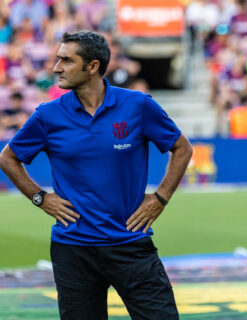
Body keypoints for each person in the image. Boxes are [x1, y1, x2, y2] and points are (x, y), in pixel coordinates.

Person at [0, 31, 193, 320]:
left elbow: (182, 148)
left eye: (66, 60)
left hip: (130, 243)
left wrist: (161, 198)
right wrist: (40, 197)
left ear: (92, 66)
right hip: (73, 249)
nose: (56, 68)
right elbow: (8, 157)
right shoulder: (47, 115)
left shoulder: (138, 106)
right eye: (57, 59)